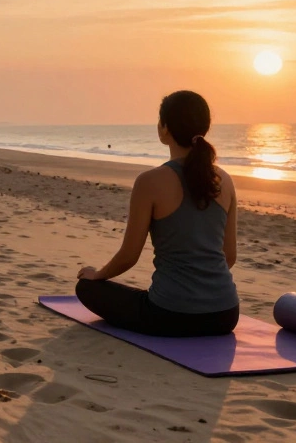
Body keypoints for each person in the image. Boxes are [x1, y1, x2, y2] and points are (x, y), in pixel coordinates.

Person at [74, 90, 239, 337]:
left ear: (164, 129)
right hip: (225, 315)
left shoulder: (149, 182)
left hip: (170, 316)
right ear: (204, 129)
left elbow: (129, 256)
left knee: (86, 288)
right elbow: (229, 256)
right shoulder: (224, 180)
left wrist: (97, 275)